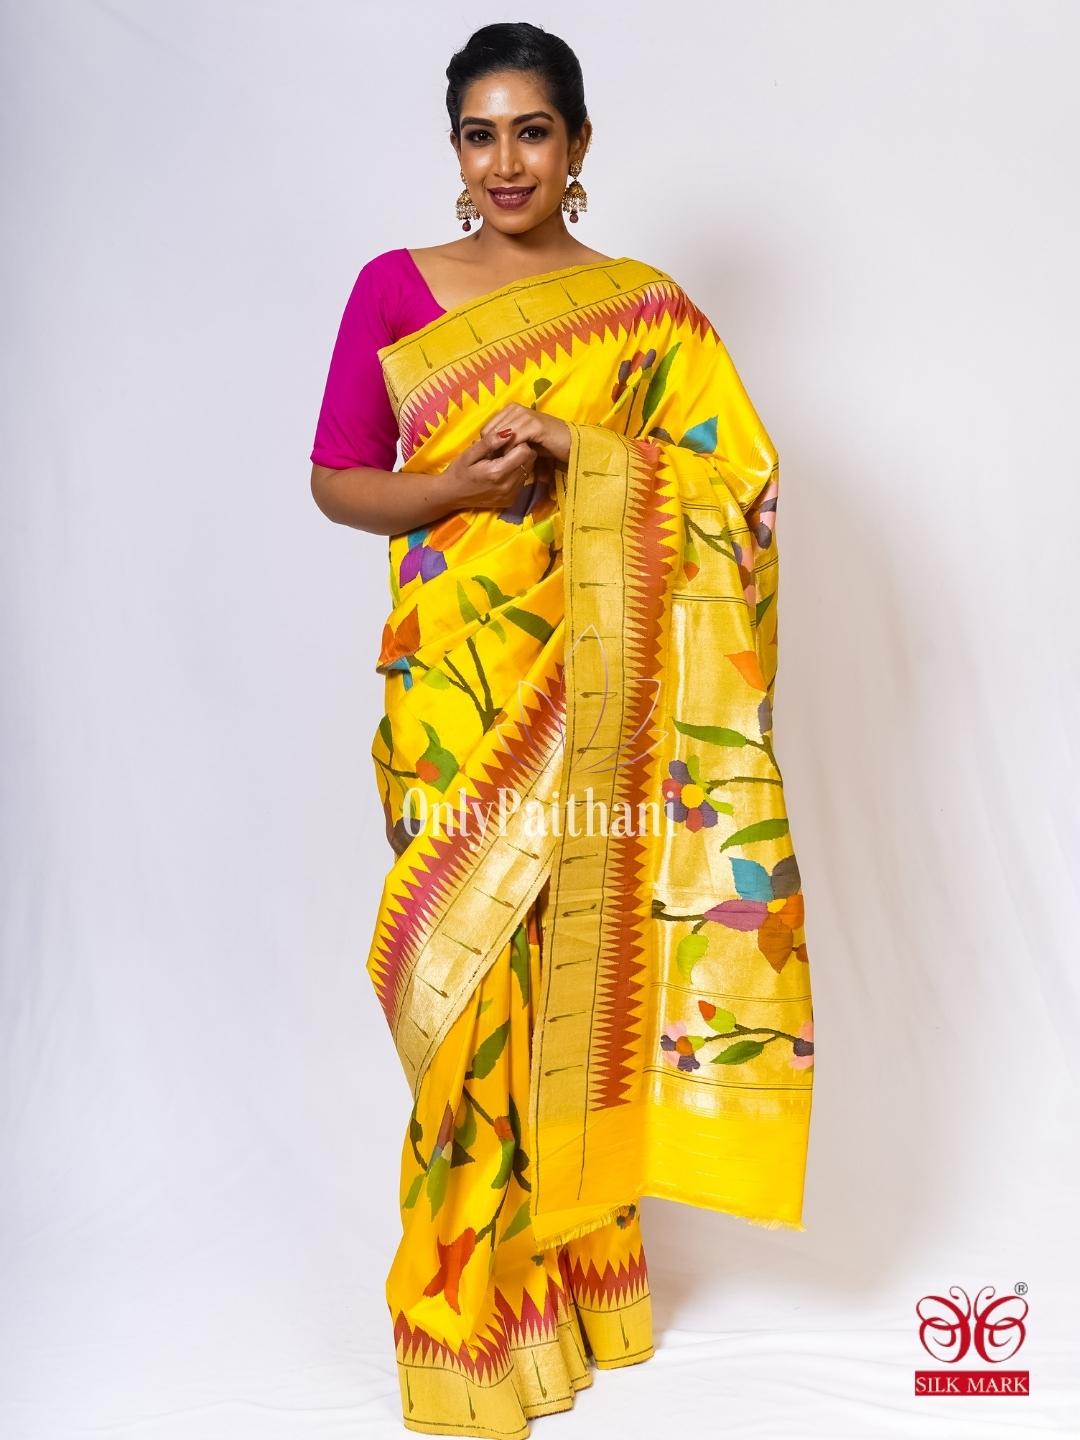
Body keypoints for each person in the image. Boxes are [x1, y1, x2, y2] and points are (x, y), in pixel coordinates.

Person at [309, 22, 815, 1440]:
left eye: (532, 130)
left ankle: (574, 1292)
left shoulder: (644, 311)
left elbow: (739, 488)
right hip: (449, 694)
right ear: (454, 149)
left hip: (594, 699)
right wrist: (461, 488)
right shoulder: (395, 289)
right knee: (465, 987)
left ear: (578, 145)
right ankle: (466, 1321)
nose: (506, 161)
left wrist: (585, 456)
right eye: (480, 134)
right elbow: (339, 479)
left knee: (575, 961)